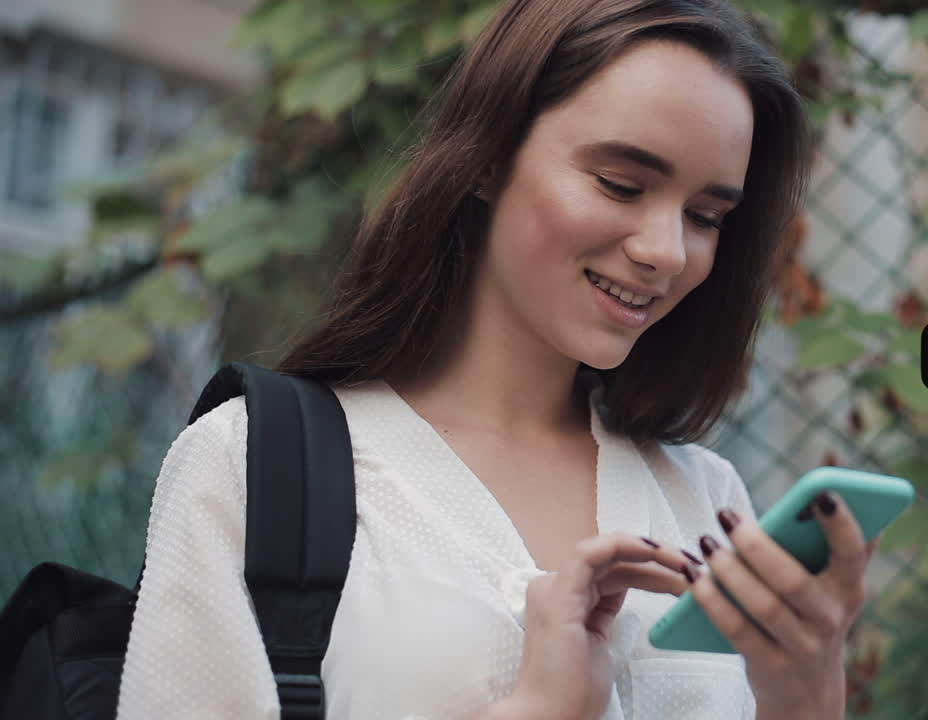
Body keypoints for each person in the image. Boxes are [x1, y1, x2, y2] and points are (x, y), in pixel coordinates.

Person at [116, 0, 879, 717]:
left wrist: (807, 699)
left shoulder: (702, 497)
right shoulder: (251, 465)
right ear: (485, 158)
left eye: (707, 217)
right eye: (621, 184)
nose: (666, 251)